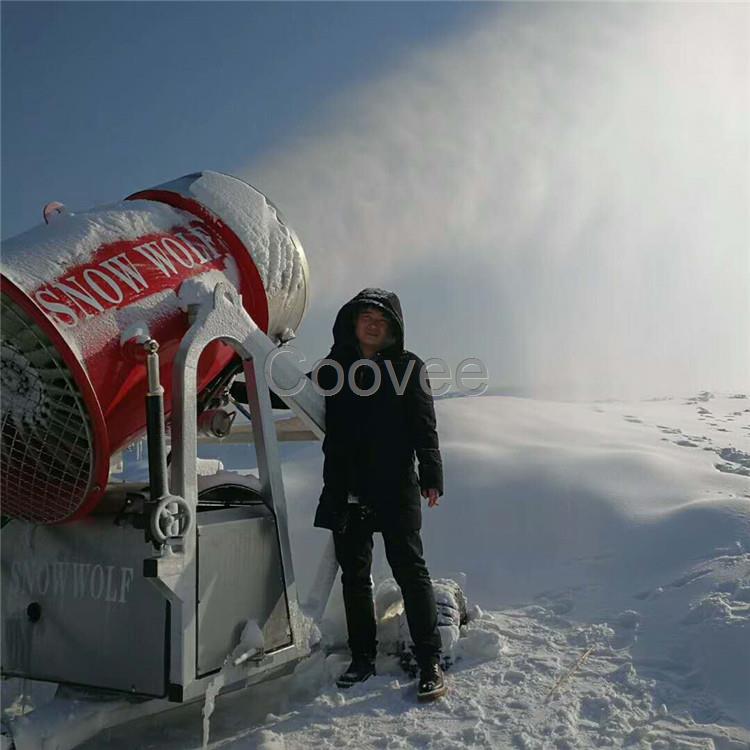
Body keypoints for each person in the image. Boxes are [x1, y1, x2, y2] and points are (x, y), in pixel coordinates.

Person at [313, 288, 446, 702]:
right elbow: (283, 392)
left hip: (394, 487)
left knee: (410, 571)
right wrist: (242, 372)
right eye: (365, 315)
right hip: (346, 488)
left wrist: (432, 473)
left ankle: (429, 662)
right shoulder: (335, 367)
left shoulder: (408, 367)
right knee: (355, 577)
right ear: (352, 322)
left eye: (382, 318)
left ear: (393, 328)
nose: (373, 323)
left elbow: (425, 425)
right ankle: (362, 658)